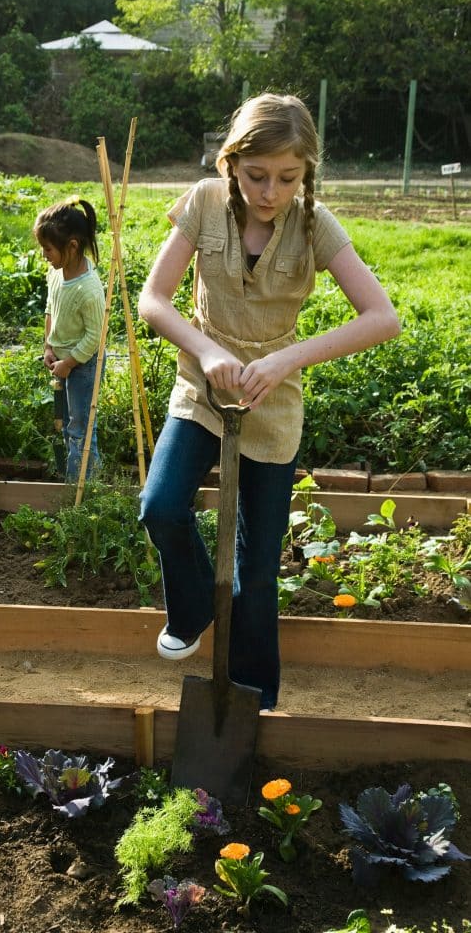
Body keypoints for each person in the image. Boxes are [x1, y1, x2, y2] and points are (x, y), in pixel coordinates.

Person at [138, 92, 400, 712]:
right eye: (257, 176)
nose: (270, 192)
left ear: (306, 171)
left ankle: (256, 706)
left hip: (272, 401)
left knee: (257, 571)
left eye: (288, 177)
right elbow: (154, 299)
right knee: (162, 505)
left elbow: (382, 317)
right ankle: (197, 602)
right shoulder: (203, 203)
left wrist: (287, 359)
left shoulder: (315, 223)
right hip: (202, 390)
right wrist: (205, 351)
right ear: (231, 162)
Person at [34, 196, 106, 483]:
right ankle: (73, 481)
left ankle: (86, 487)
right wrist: (49, 346)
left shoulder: (89, 288)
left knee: (82, 428)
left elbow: (95, 337)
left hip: (83, 366)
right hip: (62, 362)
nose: (44, 255)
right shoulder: (57, 273)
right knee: (66, 426)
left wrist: (70, 362)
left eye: (48, 249)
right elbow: (51, 307)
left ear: (72, 246)